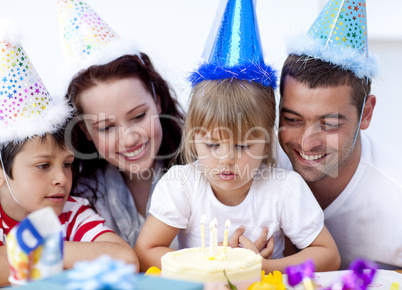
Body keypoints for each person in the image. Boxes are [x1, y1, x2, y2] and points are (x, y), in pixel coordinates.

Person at [135, 0, 340, 273]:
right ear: (193, 138)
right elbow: (146, 250)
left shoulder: (284, 189)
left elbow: (328, 256)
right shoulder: (182, 186)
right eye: (212, 144)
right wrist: (216, 265)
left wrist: (263, 266)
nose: (227, 159)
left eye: (243, 145)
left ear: (266, 141)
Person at [0, 32, 138, 286]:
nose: (62, 178)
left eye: (67, 164)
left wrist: (46, 249)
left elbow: (124, 257)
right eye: (43, 165)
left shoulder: (71, 213)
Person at [278, 0, 402, 269]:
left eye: (330, 123)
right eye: (292, 119)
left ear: (366, 113)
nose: (307, 142)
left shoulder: (396, 201)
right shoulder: (254, 166)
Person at [59, 0, 184, 248]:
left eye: (138, 116)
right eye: (106, 127)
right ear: (85, 131)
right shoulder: (79, 197)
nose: (129, 138)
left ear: (157, 102)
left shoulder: (205, 171)